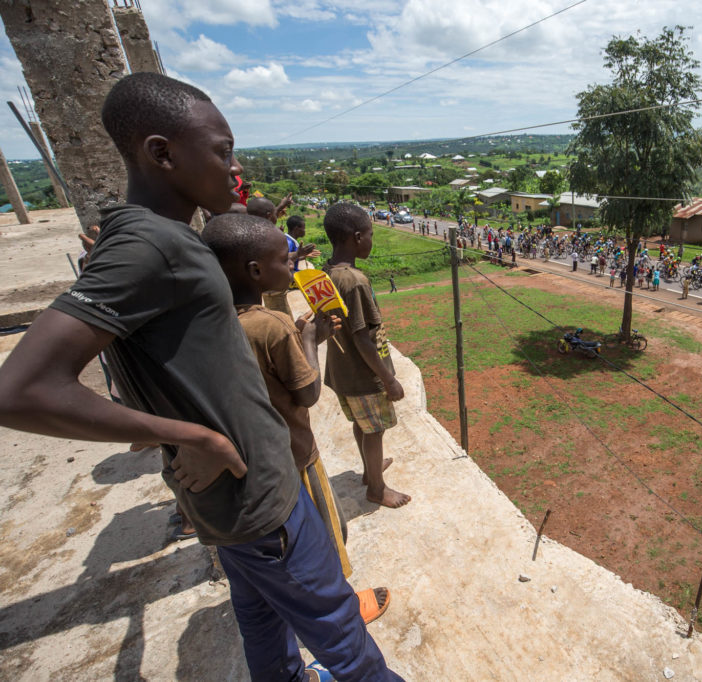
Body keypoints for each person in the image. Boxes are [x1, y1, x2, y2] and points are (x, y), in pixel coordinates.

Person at [0, 73, 399, 681]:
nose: (233, 168)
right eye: (222, 150)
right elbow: (21, 391)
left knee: (262, 620)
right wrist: (195, 437)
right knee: (343, 635)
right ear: (161, 153)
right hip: (258, 496)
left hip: (228, 505)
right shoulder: (151, 246)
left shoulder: (154, 237)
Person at [203, 213, 391, 626]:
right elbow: (306, 393)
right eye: (284, 261)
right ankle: (340, 607)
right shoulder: (272, 326)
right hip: (293, 451)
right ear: (256, 271)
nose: (292, 267)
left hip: (251, 458)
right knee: (325, 532)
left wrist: (314, 337)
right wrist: (308, 339)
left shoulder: (211, 321)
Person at [322, 203, 411, 510]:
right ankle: (376, 487)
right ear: (357, 237)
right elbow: (362, 337)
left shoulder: (328, 271)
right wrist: (389, 379)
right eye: (371, 234)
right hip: (365, 374)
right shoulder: (355, 282)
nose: (373, 240)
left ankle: (369, 471)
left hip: (343, 370)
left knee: (363, 424)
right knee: (375, 429)